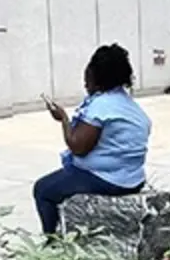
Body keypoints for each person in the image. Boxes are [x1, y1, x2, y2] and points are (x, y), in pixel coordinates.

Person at [33, 43, 151, 237]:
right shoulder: (128, 104)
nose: (85, 84)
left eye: (87, 79)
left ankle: (51, 242)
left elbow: (78, 146)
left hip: (108, 179)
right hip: (133, 177)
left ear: (98, 78)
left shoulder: (101, 106)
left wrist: (63, 118)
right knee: (62, 180)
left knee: (43, 189)